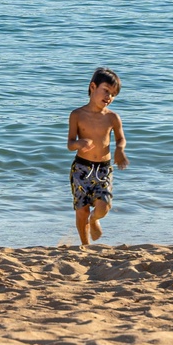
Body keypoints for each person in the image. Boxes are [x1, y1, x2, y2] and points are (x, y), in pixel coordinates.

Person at [67, 68, 127, 246]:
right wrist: (79, 144)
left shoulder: (112, 118)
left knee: (104, 206)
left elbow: (121, 138)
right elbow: (70, 144)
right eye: (106, 91)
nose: (109, 97)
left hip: (103, 168)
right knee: (81, 210)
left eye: (113, 94)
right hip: (81, 168)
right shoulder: (77, 115)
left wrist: (120, 150)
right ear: (93, 87)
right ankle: (85, 246)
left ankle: (95, 220)